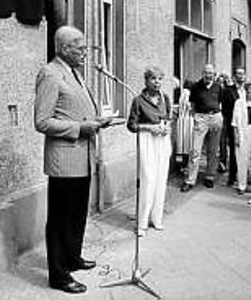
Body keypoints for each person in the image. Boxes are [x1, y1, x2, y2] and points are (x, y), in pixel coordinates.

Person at [34, 26, 111, 293]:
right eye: (80, 49)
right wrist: (80, 128)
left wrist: (95, 122)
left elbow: (74, 110)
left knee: (77, 215)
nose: (85, 54)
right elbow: (42, 121)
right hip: (64, 161)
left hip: (83, 157)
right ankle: (58, 275)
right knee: (60, 218)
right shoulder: (50, 74)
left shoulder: (74, 73)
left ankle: (72, 258)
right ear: (65, 49)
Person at [127, 66, 172, 237]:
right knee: (148, 178)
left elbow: (169, 117)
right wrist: (149, 128)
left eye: (160, 79)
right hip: (147, 139)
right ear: (146, 81)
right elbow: (131, 125)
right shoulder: (138, 100)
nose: (157, 82)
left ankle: (157, 218)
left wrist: (166, 127)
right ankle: (142, 222)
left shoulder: (164, 98)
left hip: (162, 139)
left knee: (161, 178)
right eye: (153, 79)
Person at [181, 64, 223, 192]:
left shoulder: (218, 87)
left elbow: (220, 102)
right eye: (206, 73)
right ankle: (190, 180)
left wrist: (218, 116)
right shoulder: (196, 87)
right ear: (202, 73)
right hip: (201, 118)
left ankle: (209, 177)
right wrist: (196, 117)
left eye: (211, 73)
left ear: (214, 74)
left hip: (215, 117)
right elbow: (192, 104)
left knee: (213, 151)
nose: (208, 75)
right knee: (195, 150)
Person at [232, 80, 251, 195]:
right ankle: (242, 185)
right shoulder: (239, 102)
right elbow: (234, 121)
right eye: (248, 89)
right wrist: (236, 135)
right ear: (245, 90)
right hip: (244, 132)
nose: (250, 91)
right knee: (242, 159)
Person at [219, 67, 246, 185]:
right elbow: (224, 107)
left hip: (247, 124)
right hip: (233, 123)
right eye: (238, 74)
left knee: (245, 151)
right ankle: (232, 176)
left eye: (243, 74)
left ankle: (244, 176)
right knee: (235, 150)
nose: (241, 76)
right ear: (234, 76)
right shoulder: (228, 90)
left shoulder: (247, 90)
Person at [175, 79, 194, 172]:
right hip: (188, 121)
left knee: (180, 145)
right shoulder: (188, 94)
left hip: (181, 120)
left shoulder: (182, 94)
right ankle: (185, 166)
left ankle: (179, 166)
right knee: (187, 145)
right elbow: (190, 107)